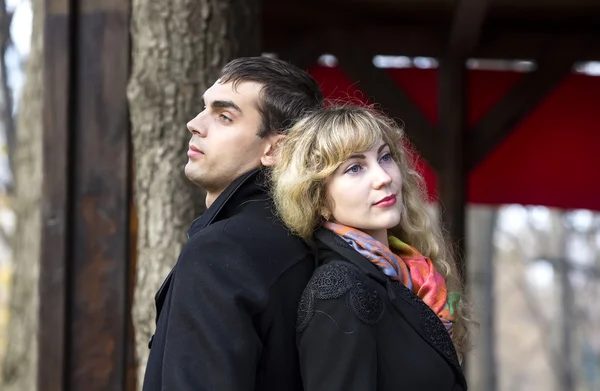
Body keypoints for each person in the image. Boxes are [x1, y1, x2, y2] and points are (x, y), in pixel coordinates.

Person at [142, 57, 324, 391]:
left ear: (275, 149)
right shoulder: (310, 240)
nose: (194, 124)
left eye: (224, 116)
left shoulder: (222, 250)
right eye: (204, 109)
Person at [271, 104, 469, 390]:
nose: (384, 177)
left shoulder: (414, 277)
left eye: (385, 157)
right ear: (318, 199)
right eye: (354, 168)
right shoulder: (338, 288)